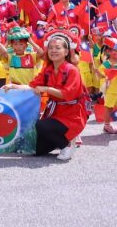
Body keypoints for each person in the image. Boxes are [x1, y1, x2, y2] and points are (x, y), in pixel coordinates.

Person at [7, 32, 87, 160]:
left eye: (58, 48)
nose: (53, 50)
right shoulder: (48, 70)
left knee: (41, 125)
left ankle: (66, 144)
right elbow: (32, 86)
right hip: (55, 113)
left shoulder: (72, 70)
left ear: (66, 52)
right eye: (50, 48)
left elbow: (67, 94)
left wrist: (46, 89)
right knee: (34, 149)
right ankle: (58, 140)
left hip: (72, 115)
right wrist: (13, 86)